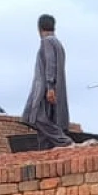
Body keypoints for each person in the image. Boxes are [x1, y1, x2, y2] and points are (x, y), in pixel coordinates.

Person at [21, 13, 73, 147]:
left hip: (44, 89)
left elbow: (51, 64)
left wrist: (50, 87)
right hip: (54, 88)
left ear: (39, 28)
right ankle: (45, 153)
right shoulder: (58, 44)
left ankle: (64, 141)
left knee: (36, 117)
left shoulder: (47, 42)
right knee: (47, 124)